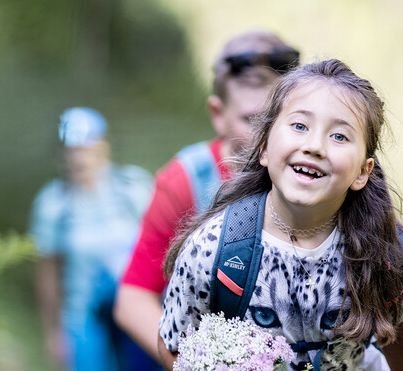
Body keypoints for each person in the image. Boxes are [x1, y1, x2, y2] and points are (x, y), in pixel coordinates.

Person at [157, 59, 403, 370]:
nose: (314, 146)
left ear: (362, 173)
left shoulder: (385, 256)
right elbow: (174, 345)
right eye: (300, 126)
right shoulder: (214, 249)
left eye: (339, 136)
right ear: (265, 148)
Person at [114, 30, 300, 363]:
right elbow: (133, 299)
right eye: (250, 120)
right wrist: (200, 363)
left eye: (278, 118)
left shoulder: (316, 176)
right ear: (218, 114)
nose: (266, 135)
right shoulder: (186, 180)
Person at [31, 107, 156, 371]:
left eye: (85, 148)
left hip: (133, 304)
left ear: (103, 148)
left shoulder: (132, 187)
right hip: (82, 316)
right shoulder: (54, 204)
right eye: (71, 150)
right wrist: (53, 332)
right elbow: (48, 271)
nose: (78, 158)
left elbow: (158, 245)